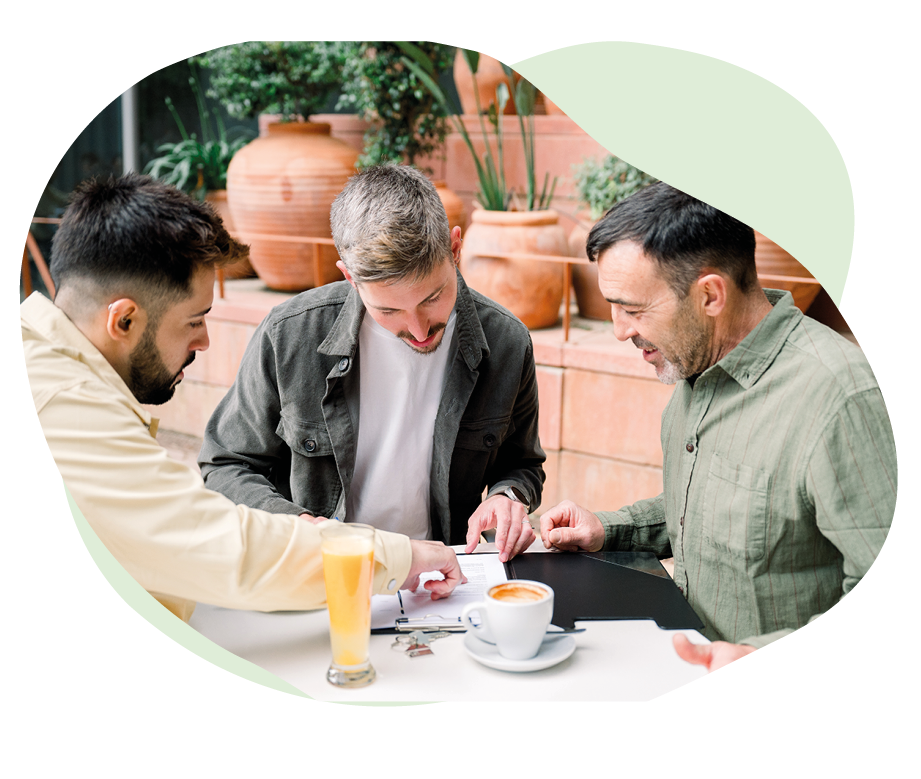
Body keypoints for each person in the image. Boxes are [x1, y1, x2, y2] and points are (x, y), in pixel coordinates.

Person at [22, 172, 464, 623]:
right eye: (195, 321)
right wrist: (398, 558)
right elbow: (216, 545)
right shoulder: (61, 403)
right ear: (124, 322)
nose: (205, 342)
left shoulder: (45, 369)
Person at [539, 182, 896, 671]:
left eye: (634, 309)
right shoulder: (696, 366)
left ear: (710, 295)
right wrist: (609, 529)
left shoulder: (838, 397)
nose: (620, 329)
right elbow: (729, 510)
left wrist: (759, 659)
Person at [199, 164, 545, 563]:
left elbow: (522, 464)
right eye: (389, 309)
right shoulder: (289, 334)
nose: (417, 330)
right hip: (324, 571)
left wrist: (507, 496)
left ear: (455, 249)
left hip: (443, 574)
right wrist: (301, 528)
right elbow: (226, 463)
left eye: (432, 297)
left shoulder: (507, 342)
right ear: (349, 277)